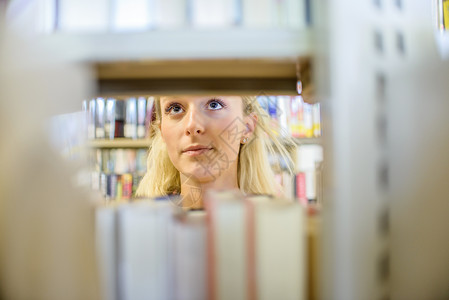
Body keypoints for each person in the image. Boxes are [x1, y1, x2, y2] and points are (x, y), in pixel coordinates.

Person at [136, 95, 293, 209]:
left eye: (214, 105)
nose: (192, 125)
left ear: (247, 128)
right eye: (175, 108)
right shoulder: (142, 229)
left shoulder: (275, 227)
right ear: (162, 131)